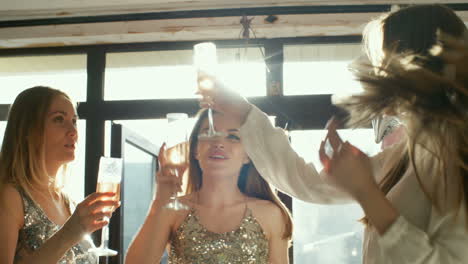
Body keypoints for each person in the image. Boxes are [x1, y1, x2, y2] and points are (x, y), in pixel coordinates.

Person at [197, 4, 468, 264]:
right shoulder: (409, 151)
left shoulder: (459, 154)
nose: (377, 76)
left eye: (385, 63)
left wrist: (366, 192)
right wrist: (242, 111)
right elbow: (311, 184)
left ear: (416, 64)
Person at [125, 108, 292, 264]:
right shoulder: (173, 210)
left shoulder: (271, 214)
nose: (218, 143)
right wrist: (160, 201)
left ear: (247, 155)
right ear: (196, 149)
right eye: (209, 134)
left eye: (233, 137)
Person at [0, 86, 120, 264]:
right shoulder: (10, 196)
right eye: (59, 119)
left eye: (74, 121)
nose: (73, 131)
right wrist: (69, 234)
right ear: (28, 130)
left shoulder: (68, 202)